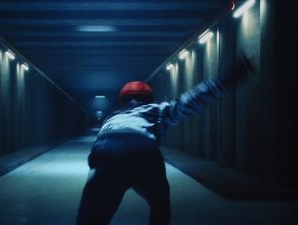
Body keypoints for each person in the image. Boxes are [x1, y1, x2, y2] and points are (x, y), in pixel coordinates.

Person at [76, 50, 254, 225]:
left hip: (107, 150)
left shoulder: (111, 117)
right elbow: (197, 97)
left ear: (122, 101)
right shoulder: (158, 110)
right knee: (159, 204)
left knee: (92, 216)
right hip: (143, 150)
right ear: (149, 100)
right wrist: (232, 75)